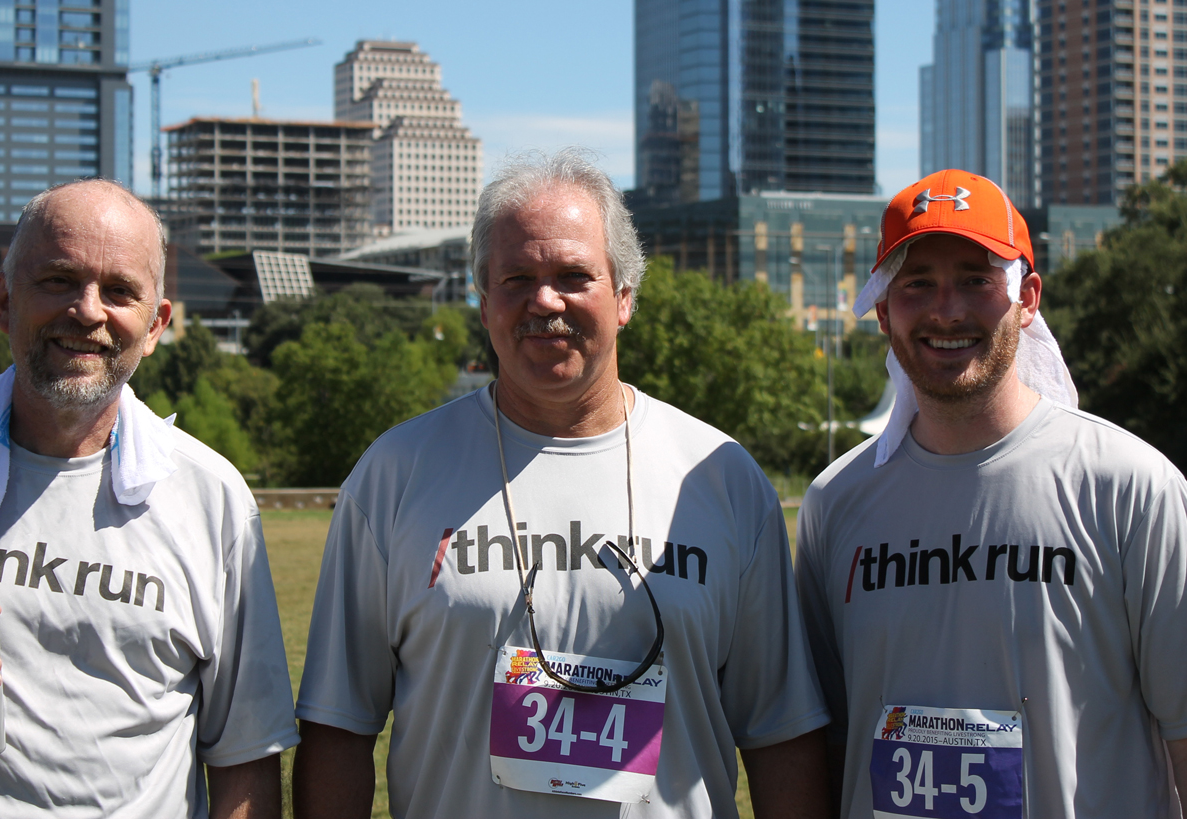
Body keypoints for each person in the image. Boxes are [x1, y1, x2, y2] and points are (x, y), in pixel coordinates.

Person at [291, 150, 831, 818]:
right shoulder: (395, 473)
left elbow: (781, 735)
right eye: (516, 278)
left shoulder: (719, 476)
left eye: (574, 275)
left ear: (625, 295)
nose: (545, 301)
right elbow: (339, 726)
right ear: (484, 300)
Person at [0, 179, 299, 817]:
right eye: (58, 280)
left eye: (120, 291)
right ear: (3, 302)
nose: (88, 311)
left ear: (155, 326)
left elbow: (245, 762)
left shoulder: (214, 500)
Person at [794, 168, 1187, 818]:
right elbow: (824, 742)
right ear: (883, 309)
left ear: (1028, 296)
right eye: (917, 283)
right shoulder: (835, 505)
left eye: (977, 280)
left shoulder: (1130, 488)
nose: (946, 308)